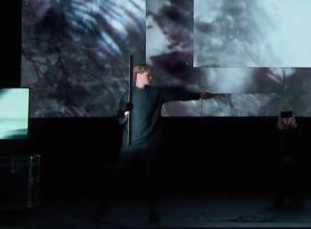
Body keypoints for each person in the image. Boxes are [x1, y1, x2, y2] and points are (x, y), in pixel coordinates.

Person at [93, 64, 218, 223]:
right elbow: (120, 120)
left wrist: (199, 95)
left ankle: (153, 211)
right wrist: (126, 111)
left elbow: (177, 94)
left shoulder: (156, 93)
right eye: (147, 75)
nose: (150, 78)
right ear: (138, 76)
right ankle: (104, 208)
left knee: (151, 178)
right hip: (130, 143)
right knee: (117, 177)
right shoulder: (127, 96)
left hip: (149, 143)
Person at [273, 105, 304, 209]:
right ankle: (282, 198)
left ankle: (294, 198)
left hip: (294, 160)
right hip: (282, 160)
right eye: (284, 116)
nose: (286, 119)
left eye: (288, 116)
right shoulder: (278, 131)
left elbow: (299, 147)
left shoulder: (297, 130)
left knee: (293, 172)